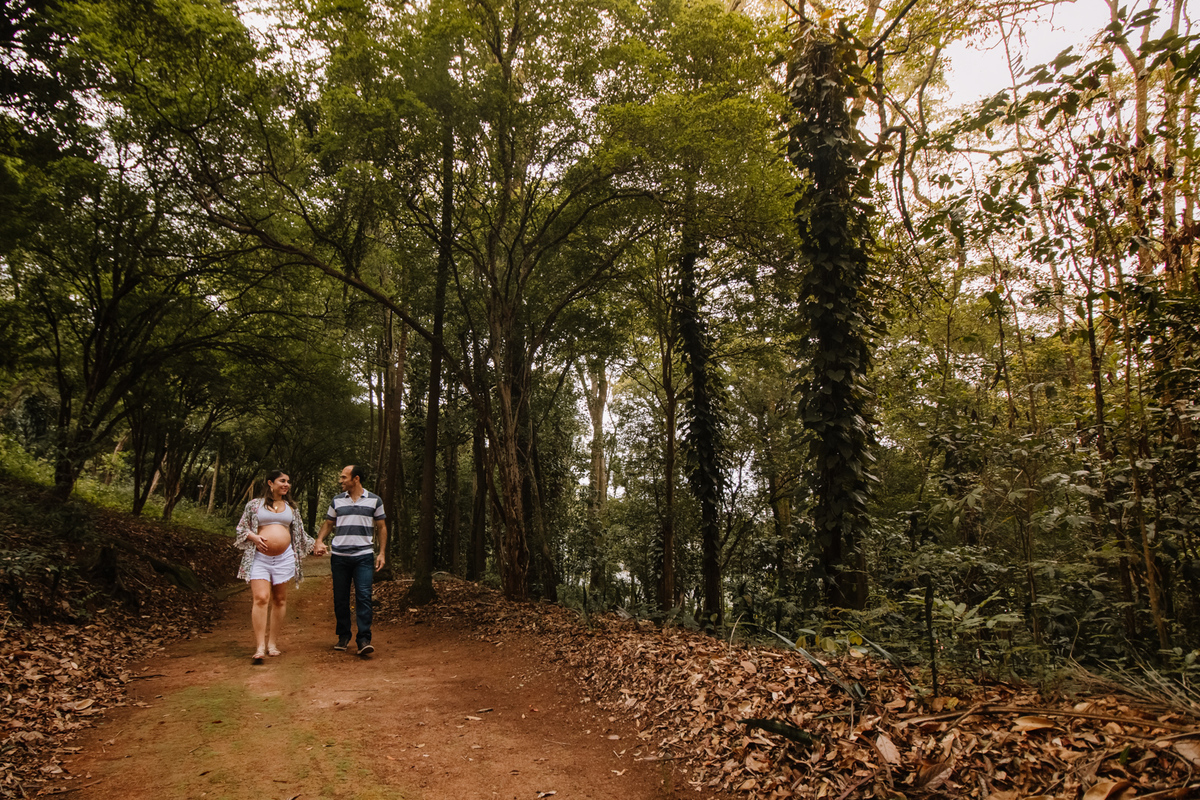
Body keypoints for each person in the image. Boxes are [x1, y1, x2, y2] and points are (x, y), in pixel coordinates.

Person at [233, 470, 315, 664]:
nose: (286, 484)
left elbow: (300, 534)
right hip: (259, 557)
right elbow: (241, 528)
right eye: (282, 481)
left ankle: (272, 644)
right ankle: (260, 646)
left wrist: (315, 547)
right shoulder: (254, 505)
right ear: (270, 483)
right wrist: (253, 536)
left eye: (288, 481)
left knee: (279, 599)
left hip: (284, 558)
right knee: (261, 598)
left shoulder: (291, 507)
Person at [312, 464, 387, 656]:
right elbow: (329, 523)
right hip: (340, 557)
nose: (341, 480)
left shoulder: (374, 501)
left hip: (363, 556)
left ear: (356, 479)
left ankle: (363, 639)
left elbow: (381, 527)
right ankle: (343, 636)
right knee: (340, 598)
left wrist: (382, 553)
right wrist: (319, 540)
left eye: (344, 477)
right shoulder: (337, 501)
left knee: (363, 596)